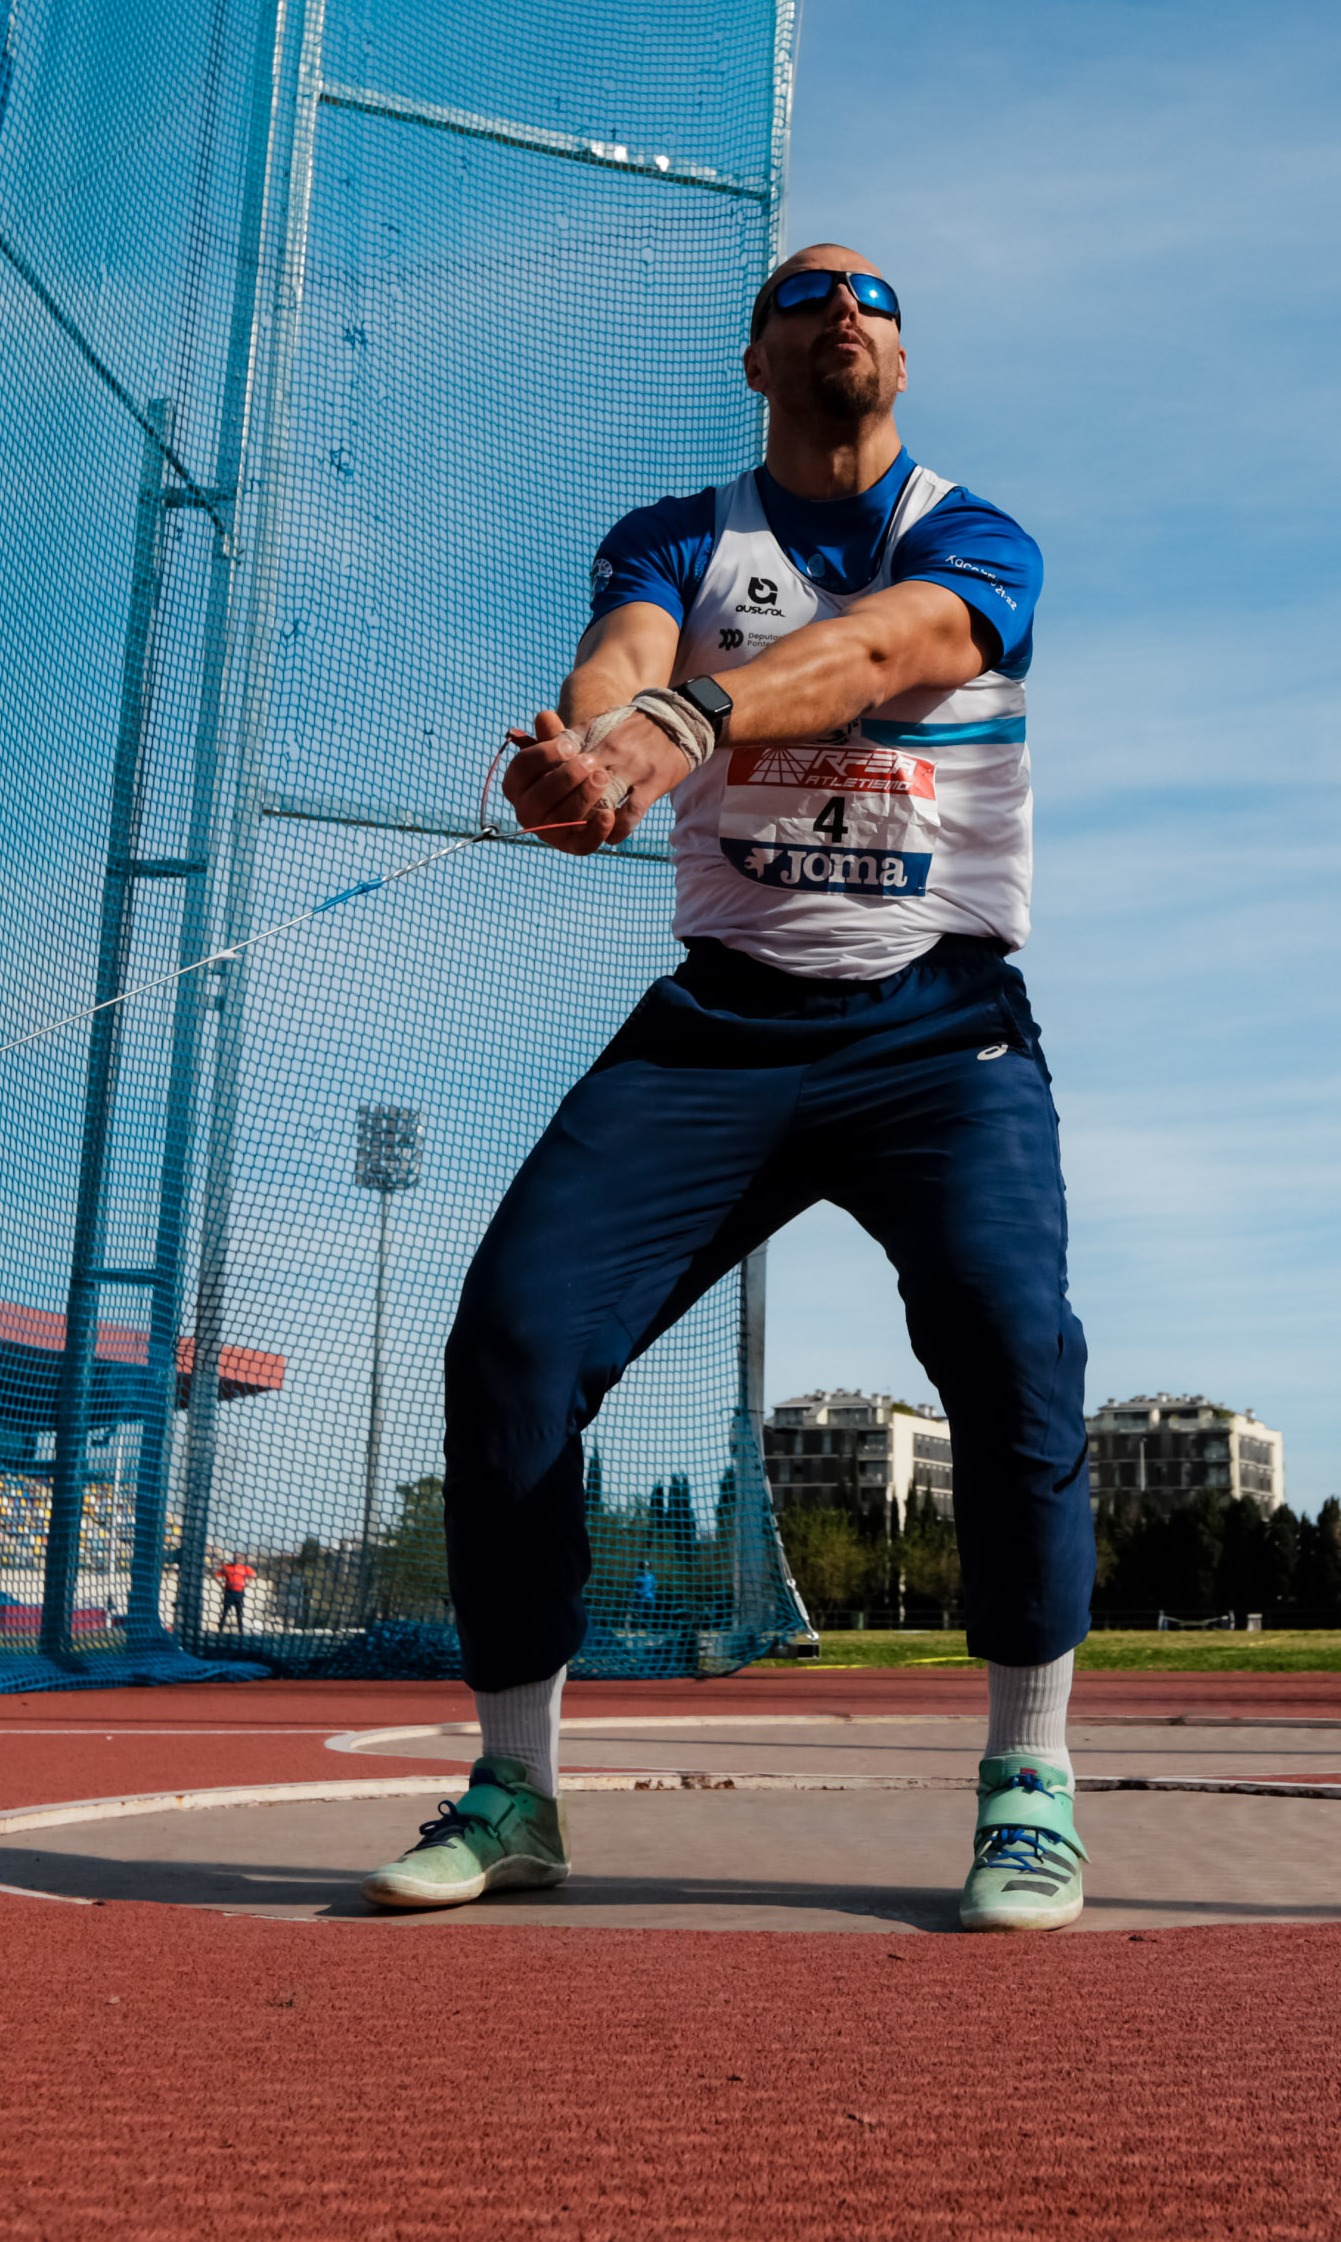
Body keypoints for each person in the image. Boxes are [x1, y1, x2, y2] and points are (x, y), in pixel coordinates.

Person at [360, 244, 1092, 1931]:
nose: (846, 311)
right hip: (720, 1027)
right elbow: (618, 658)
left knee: (1012, 1346)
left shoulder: (976, 537)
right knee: (513, 1341)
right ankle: (515, 1790)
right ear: (752, 357)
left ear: (901, 357)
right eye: (806, 296)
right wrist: (587, 757)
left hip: (939, 1031)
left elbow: (887, 650)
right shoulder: (678, 539)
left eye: (875, 300)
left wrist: (685, 723)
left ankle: (1028, 1787)